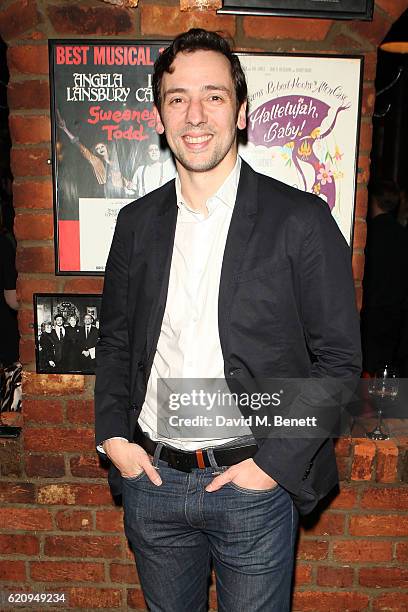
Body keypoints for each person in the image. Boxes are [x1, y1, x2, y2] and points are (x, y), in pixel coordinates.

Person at [95, 29, 361, 612]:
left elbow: (339, 363)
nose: (195, 114)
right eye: (177, 97)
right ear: (159, 118)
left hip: (253, 484)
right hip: (153, 481)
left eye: (214, 96)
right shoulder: (136, 224)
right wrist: (114, 437)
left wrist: (273, 467)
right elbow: (115, 340)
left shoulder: (301, 220)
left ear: (241, 113)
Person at [360, 180, 408, 374]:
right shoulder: (403, 235)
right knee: (386, 364)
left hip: (371, 311)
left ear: (373, 201)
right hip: (396, 311)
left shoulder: (367, 235)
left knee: (368, 365)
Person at [57, 112, 133, 199]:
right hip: (105, 193)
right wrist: (65, 129)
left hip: (120, 194)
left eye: (101, 146)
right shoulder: (96, 161)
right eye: (97, 148)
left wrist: (128, 184)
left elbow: (120, 177)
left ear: (106, 147)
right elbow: (81, 148)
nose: (100, 149)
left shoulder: (116, 161)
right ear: (96, 152)